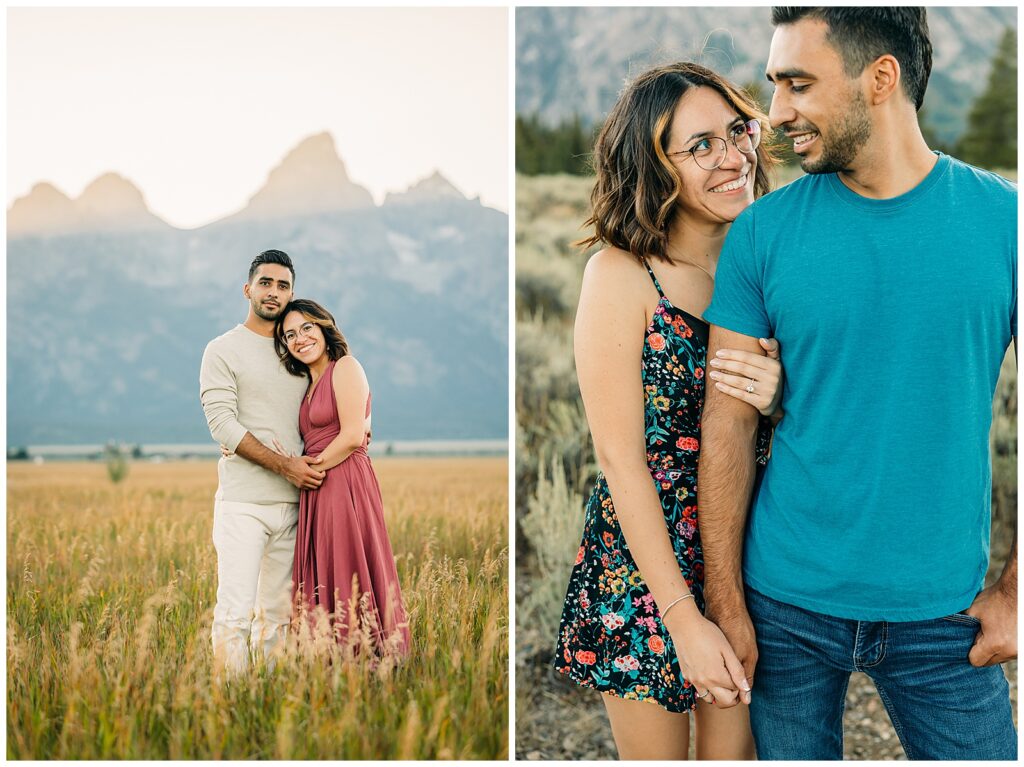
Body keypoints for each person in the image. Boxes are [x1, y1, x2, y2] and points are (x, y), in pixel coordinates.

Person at [699, 8, 1017, 760]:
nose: (776, 113)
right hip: (785, 608)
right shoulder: (761, 233)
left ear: (881, 78)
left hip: (946, 613)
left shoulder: (1007, 224)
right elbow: (729, 423)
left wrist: (1018, 589)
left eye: (799, 84)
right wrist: (726, 600)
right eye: (775, 84)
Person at [552, 62, 787, 760]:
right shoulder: (622, 274)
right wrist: (681, 617)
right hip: (646, 560)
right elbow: (621, 461)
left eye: (737, 132)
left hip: (750, 547)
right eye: (701, 146)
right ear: (654, 168)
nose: (733, 157)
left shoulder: (771, 259)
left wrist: (776, 402)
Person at [199, 249, 327, 678]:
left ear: (292, 293)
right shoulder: (222, 350)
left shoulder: (299, 350)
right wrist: (282, 465)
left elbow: (330, 402)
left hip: (296, 505)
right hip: (243, 504)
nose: (274, 292)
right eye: (266, 283)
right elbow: (222, 424)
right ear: (248, 289)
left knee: (277, 618)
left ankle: (267, 702)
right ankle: (229, 703)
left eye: (283, 285)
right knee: (234, 613)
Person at [273, 299, 410, 656]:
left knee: (349, 562)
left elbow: (352, 436)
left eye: (306, 328)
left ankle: (367, 652)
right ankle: (330, 654)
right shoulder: (306, 382)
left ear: (323, 326)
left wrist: (307, 468)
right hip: (319, 483)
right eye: (290, 335)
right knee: (326, 567)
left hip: (342, 479)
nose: (299, 339)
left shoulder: (345, 366)